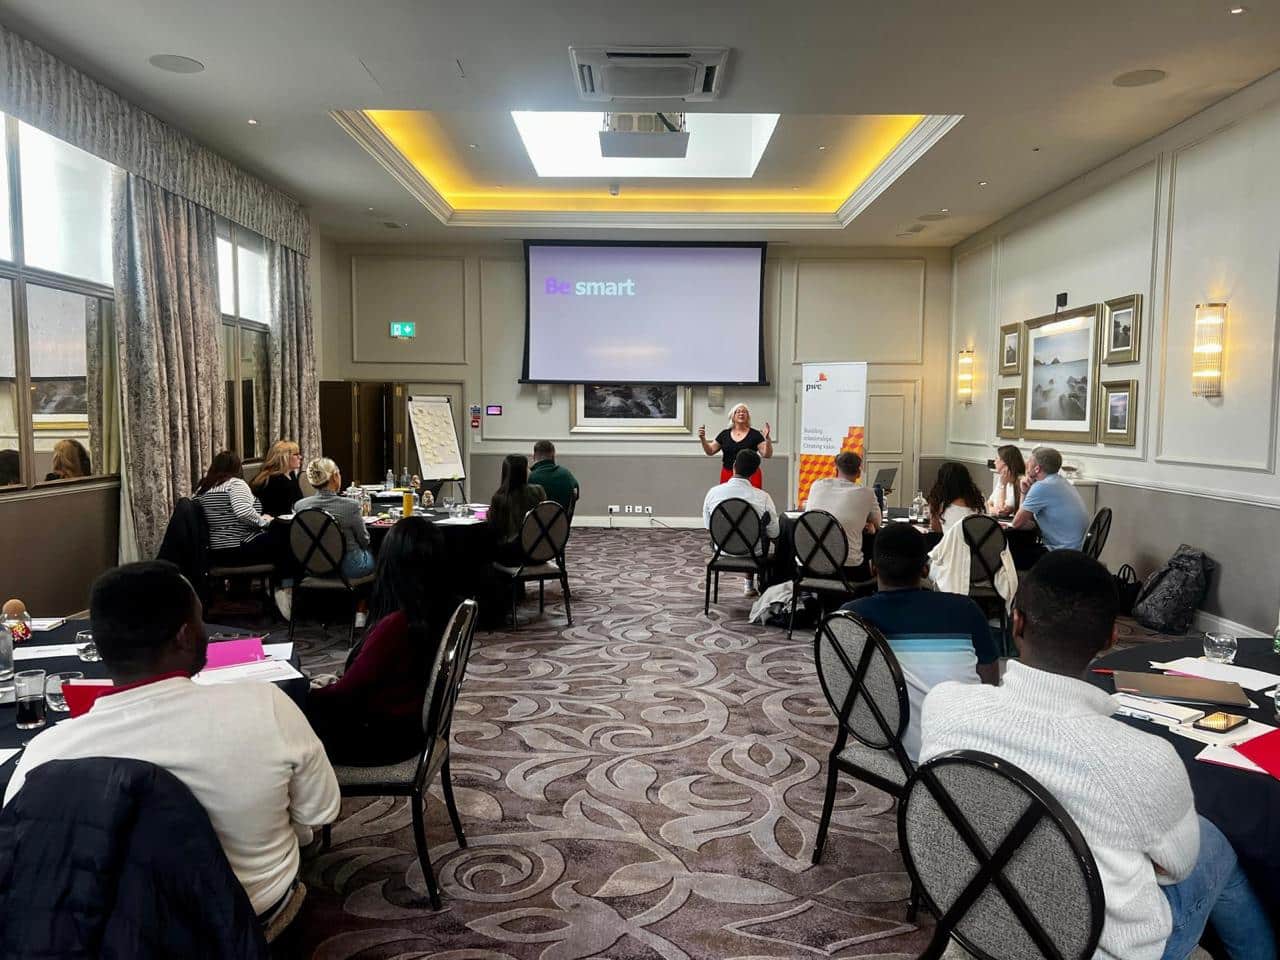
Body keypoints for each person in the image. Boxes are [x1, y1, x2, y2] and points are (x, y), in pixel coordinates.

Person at [920, 551, 1275, 960]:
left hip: (978, 917)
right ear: (1111, 639)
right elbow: (1176, 868)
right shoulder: (1147, 760)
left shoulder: (944, 706)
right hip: (1096, 949)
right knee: (1215, 845)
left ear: (1016, 622)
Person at [3, 561, 341, 919]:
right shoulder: (266, 706)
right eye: (200, 620)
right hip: (250, 915)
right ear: (184, 636)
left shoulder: (45, 754)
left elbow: (28, 861)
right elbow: (320, 810)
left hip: (110, 934)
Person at [841, 523, 998, 761]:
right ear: (925, 569)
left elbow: (846, 688)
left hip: (891, 744)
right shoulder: (966, 610)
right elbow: (990, 683)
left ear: (872, 568)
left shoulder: (851, 618)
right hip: (968, 750)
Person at [307, 517, 450, 765]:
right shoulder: (436, 611)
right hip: (408, 727)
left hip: (382, 737)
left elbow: (347, 691)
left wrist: (302, 693)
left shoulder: (396, 625)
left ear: (391, 564)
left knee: (279, 725)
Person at [703, 449, 779, 596]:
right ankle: (757, 588)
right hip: (754, 552)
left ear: (734, 466)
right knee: (762, 538)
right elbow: (774, 532)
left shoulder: (713, 493)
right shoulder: (763, 497)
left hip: (722, 549)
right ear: (755, 472)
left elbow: (709, 528)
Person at [293, 457, 374, 579]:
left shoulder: (300, 506)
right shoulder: (351, 506)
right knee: (377, 553)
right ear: (335, 476)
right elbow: (364, 540)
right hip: (349, 567)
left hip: (314, 566)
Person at [802, 450, 881, 574]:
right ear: (859, 472)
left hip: (809, 565)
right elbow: (877, 523)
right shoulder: (867, 493)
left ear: (836, 469)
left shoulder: (816, 485)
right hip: (848, 569)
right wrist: (866, 523)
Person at [195, 449, 276, 565]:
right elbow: (243, 512)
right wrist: (265, 521)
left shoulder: (203, 487)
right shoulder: (235, 484)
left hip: (215, 551)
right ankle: (288, 581)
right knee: (286, 538)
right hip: (240, 547)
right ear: (237, 467)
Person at [1010, 445, 1089, 551]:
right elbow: (1027, 523)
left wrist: (1023, 492)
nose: (1026, 464)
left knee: (1010, 551)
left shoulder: (1042, 486)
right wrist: (1025, 492)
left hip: (1062, 552)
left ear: (1037, 469)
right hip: (1077, 549)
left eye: (1029, 461)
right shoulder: (1061, 482)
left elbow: (1017, 523)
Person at [487, 454, 547, 565]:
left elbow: (496, 529)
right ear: (522, 472)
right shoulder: (538, 491)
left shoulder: (500, 498)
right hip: (538, 552)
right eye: (527, 467)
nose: (529, 470)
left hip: (514, 557)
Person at [698, 403, 773, 488]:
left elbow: (767, 454)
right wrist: (702, 438)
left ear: (748, 416)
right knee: (728, 498)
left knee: (751, 499)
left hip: (751, 475)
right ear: (733, 416)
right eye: (738, 412)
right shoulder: (724, 434)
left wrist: (767, 439)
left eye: (744, 412)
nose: (741, 414)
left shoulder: (755, 434)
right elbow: (710, 451)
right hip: (728, 473)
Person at [926, 461, 986, 534]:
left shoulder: (940, 505)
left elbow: (936, 529)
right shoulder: (978, 501)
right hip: (975, 544)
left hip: (952, 544)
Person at [250, 440, 304, 517]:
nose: (300, 457)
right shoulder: (276, 480)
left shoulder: (290, 474)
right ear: (284, 458)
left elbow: (299, 501)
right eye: (296, 454)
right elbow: (283, 512)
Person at [529, 440, 579, 514]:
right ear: (553, 455)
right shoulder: (567, 475)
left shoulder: (529, 477)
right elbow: (576, 494)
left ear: (534, 456)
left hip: (534, 523)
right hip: (561, 523)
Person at [987, 444, 1026, 517]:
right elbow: (988, 503)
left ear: (1005, 462)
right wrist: (994, 510)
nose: (994, 462)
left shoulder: (1021, 482)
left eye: (996, 459)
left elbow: (1001, 511)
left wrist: (1003, 486)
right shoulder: (1002, 478)